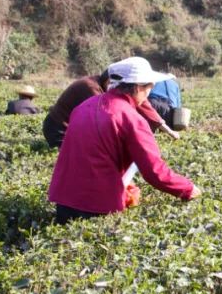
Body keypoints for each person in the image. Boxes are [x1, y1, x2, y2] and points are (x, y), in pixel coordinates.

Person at [48, 57, 200, 224]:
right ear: (138, 87)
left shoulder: (83, 107)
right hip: (96, 208)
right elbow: (154, 172)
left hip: (62, 202)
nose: (150, 92)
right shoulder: (131, 118)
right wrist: (187, 188)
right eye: (150, 86)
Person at [43, 68, 175, 147]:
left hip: (72, 129)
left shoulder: (106, 87)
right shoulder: (91, 88)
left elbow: (144, 106)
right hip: (58, 129)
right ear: (108, 81)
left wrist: (167, 130)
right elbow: (105, 117)